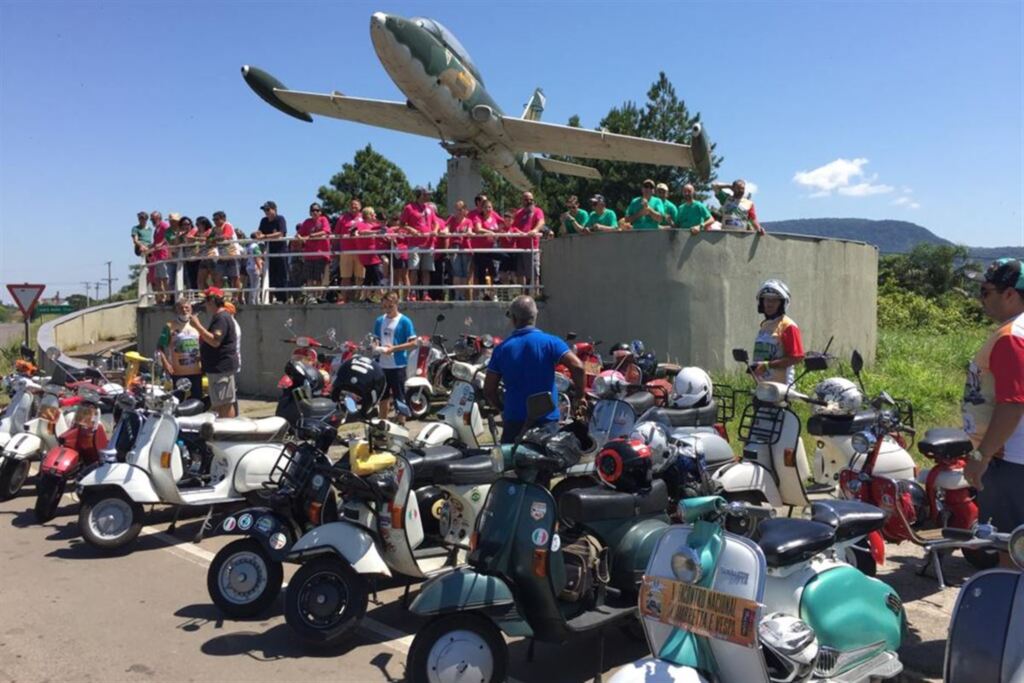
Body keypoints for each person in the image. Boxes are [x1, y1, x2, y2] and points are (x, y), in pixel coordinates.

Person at [962, 259, 1024, 546]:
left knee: (1008, 547)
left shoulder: (1011, 337)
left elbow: (1012, 405)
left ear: (1010, 294)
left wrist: (980, 457)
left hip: (1009, 459)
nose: (981, 300)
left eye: (986, 292)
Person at [484, 295, 585, 443]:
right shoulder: (551, 342)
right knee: (548, 463)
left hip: (514, 422)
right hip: (547, 421)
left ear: (513, 318)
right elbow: (578, 367)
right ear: (535, 316)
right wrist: (580, 396)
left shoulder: (502, 349)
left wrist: (503, 409)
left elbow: (489, 390)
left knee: (512, 464)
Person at [191, 287, 239, 417]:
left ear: (212, 300)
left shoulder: (221, 318)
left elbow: (215, 341)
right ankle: (224, 430)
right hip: (216, 368)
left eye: (206, 301)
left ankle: (228, 432)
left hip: (221, 368)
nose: (204, 305)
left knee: (224, 403)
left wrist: (197, 326)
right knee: (219, 403)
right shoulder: (219, 317)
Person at [373, 292, 417, 423]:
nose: (387, 310)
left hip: (397, 365)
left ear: (397, 304)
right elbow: (376, 339)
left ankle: (401, 422)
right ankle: (382, 423)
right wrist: (375, 346)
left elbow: (413, 342)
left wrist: (394, 349)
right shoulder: (380, 320)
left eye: (390, 307)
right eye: (385, 307)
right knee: (383, 396)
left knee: (399, 396)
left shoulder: (404, 321)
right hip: (382, 364)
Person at [750, 279, 805, 384]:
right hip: (762, 387)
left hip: (781, 390)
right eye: (766, 300)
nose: (769, 304)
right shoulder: (765, 326)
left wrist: (768, 365)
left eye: (774, 300)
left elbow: (796, 357)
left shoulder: (788, 326)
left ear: (782, 303)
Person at [156, 299, 203, 399]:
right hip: (178, 372)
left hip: (196, 371)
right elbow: (159, 347)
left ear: (191, 309)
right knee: (178, 401)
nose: (184, 310)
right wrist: (166, 363)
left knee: (197, 401)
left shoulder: (196, 324)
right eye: (181, 308)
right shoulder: (169, 326)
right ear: (176, 310)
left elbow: (203, 344)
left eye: (187, 307)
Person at [399, 187, 437, 301]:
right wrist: (412, 230)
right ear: (420, 195)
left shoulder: (430, 208)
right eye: (426, 194)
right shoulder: (409, 207)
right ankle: (413, 293)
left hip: (428, 243)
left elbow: (436, 223)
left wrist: (435, 230)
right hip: (415, 243)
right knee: (414, 269)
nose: (429, 196)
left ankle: (425, 293)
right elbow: (402, 224)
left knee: (426, 270)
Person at [252, 201, 288, 303]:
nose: (266, 212)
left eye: (268, 209)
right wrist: (257, 234)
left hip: (281, 251)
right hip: (269, 252)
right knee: (271, 275)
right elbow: (260, 232)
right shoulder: (264, 221)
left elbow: (281, 233)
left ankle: (283, 298)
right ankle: (274, 298)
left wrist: (265, 236)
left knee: (282, 275)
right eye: (264, 210)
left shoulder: (280, 219)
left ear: (274, 209)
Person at [510, 191, 545, 292]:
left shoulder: (538, 211)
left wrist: (535, 230)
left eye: (531, 199)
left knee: (534, 273)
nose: (529, 201)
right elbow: (514, 226)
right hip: (520, 247)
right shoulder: (519, 213)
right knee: (521, 273)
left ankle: (536, 295)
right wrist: (518, 232)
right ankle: (523, 294)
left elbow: (541, 222)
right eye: (526, 199)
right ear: (522, 201)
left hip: (532, 246)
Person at [296, 203, 331, 299]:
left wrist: (312, 236)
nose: (315, 212)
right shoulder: (307, 222)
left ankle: (318, 297)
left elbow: (326, 231)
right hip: (309, 254)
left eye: (317, 210)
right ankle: (311, 296)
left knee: (319, 278)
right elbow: (299, 233)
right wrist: (299, 237)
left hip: (320, 254)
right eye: (313, 210)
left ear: (320, 212)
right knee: (309, 278)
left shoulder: (323, 219)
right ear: (310, 212)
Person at [472, 197, 504, 300]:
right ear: (482, 208)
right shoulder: (478, 217)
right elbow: (478, 228)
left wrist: (500, 231)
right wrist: (490, 232)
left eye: (490, 207)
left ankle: (493, 293)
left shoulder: (494, 216)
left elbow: (505, 222)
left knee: (494, 270)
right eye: (486, 207)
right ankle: (482, 294)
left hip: (492, 247)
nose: (488, 209)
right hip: (481, 249)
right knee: (481, 272)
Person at [334, 198, 365, 304]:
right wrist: (334, 250)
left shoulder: (364, 217)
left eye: (356, 205)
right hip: (346, 251)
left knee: (360, 276)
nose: (354, 206)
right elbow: (336, 234)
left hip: (360, 251)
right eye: (352, 205)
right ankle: (343, 298)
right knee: (345, 277)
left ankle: (358, 298)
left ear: (360, 207)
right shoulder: (343, 218)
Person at [353, 207, 385, 300]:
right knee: (376, 275)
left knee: (369, 276)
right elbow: (362, 232)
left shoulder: (373, 224)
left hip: (372, 254)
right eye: (373, 213)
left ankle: (364, 297)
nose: (375, 215)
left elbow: (384, 228)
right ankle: (383, 297)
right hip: (368, 255)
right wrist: (376, 232)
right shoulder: (362, 224)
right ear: (369, 215)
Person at [446, 200, 475, 300]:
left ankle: (461, 295)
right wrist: (445, 232)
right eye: (457, 209)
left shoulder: (468, 221)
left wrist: (469, 233)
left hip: (466, 247)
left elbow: (470, 230)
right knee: (457, 271)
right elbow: (446, 229)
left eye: (460, 209)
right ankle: (457, 295)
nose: (458, 211)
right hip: (455, 247)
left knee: (464, 273)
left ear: (465, 210)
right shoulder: (451, 219)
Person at [213, 211, 243, 294]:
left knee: (235, 277)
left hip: (232, 255)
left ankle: (236, 298)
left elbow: (227, 235)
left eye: (217, 219)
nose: (215, 221)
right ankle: (218, 296)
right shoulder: (214, 229)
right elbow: (209, 238)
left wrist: (215, 239)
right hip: (222, 256)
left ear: (224, 219)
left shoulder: (227, 225)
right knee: (218, 277)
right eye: (214, 219)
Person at [149, 211, 171, 303]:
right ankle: (161, 299)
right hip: (157, 256)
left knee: (165, 278)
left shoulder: (164, 225)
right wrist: (150, 247)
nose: (152, 221)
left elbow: (168, 236)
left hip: (163, 255)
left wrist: (161, 243)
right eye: (151, 219)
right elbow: (155, 242)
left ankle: (169, 298)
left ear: (158, 218)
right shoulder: (156, 228)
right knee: (157, 279)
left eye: (153, 219)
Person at [195, 216, 218, 290]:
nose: (197, 226)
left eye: (198, 224)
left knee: (215, 279)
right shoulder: (198, 233)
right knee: (200, 280)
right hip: (203, 258)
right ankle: (207, 297)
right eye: (196, 224)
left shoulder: (211, 231)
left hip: (211, 257)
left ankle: (216, 297)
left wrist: (197, 237)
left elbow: (209, 240)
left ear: (204, 224)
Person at [178, 216, 200, 292]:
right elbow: (176, 243)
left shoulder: (195, 230)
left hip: (197, 258)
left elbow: (190, 239)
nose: (185, 226)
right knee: (190, 280)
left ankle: (203, 297)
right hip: (188, 259)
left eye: (187, 224)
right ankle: (194, 297)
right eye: (183, 224)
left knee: (199, 279)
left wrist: (184, 234)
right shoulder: (181, 235)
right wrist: (178, 234)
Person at [244, 238, 264, 305]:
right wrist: (260, 267)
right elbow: (256, 257)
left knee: (253, 285)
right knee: (256, 285)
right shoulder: (255, 246)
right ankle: (254, 302)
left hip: (249, 266)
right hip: (254, 267)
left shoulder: (249, 246)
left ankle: (252, 301)